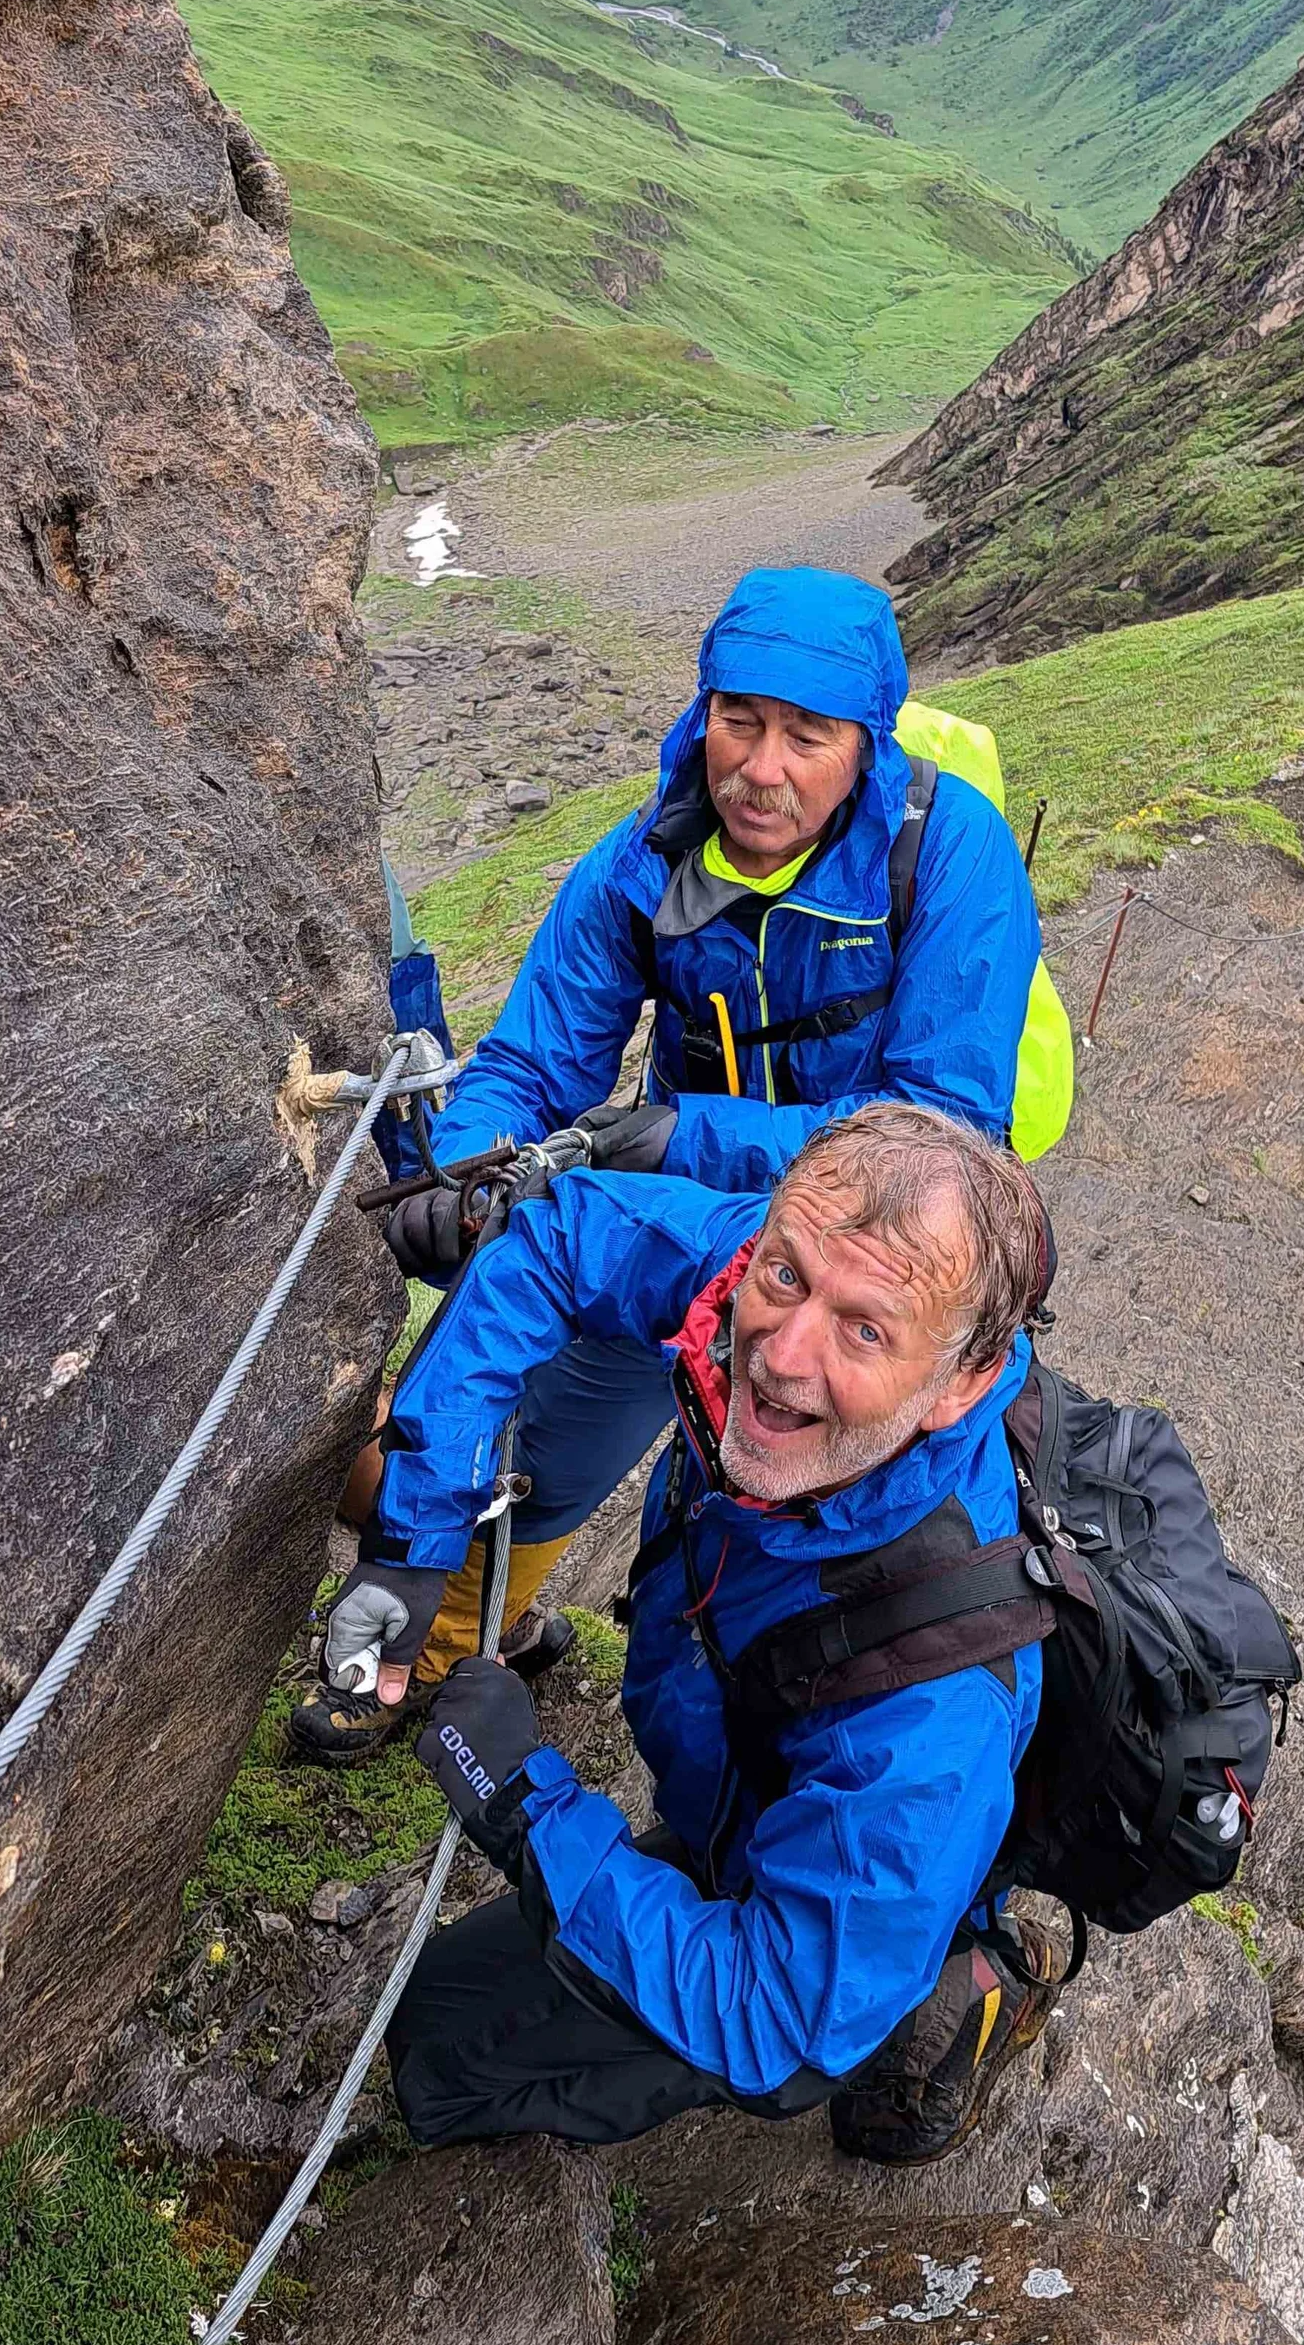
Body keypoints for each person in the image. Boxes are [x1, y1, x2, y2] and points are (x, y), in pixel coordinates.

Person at [295, 565, 1060, 1763]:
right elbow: (532, 1062)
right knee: (546, 1457)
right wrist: (461, 1171)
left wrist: (679, 1136)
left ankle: (781, 1747)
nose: (764, 766)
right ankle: (442, 1643)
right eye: (739, 720)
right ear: (701, 710)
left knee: (807, 1496)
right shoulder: (645, 857)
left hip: (880, 1262)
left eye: (808, 733)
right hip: (682, 1215)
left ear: (866, 741)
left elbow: (942, 1136)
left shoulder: (952, 857)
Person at [336, 1102, 1063, 2163]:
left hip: (838, 1883)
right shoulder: (764, 1277)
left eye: (865, 1329)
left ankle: (966, 1981)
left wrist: (521, 1804)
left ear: (962, 1382)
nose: (779, 1353)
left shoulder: (929, 1724)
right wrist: (415, 1531)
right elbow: (559, 1235)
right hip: (753, 1771)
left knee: (439, 2051)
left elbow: (772, 2017)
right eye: (785, 1276)